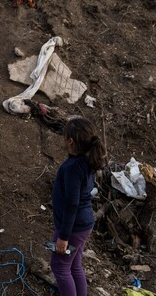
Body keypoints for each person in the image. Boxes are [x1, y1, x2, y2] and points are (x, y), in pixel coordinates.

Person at [50, 117, 107, 296]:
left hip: (73, 227)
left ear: (71, 141)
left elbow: (72, 203)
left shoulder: (73, 168)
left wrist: (64, 236)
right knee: (74, 265)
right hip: (83, 224)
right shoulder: (85, 162)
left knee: (60, 267)